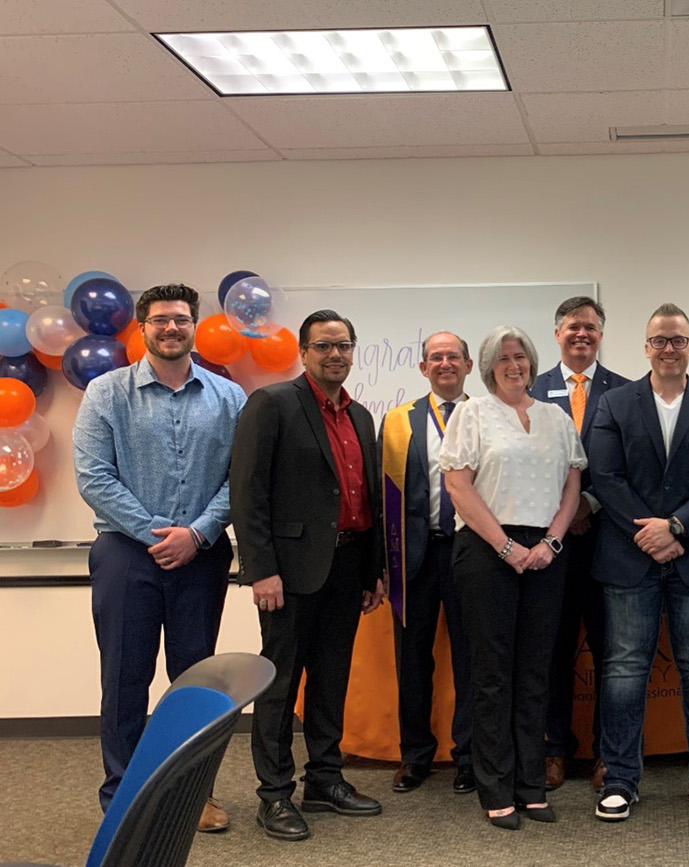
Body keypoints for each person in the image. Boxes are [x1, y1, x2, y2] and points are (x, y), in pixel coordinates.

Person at [72, 283, 246, 831]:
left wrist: (196, 534)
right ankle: (122, 798)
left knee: (194, 683)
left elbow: (237, 480)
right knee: (124, 678)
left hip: (202, 556)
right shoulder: (105, 392)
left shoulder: (230, 397)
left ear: (194, 326)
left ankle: (193, 796)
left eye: (181, 319)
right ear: (142, 328)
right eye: (160, 320)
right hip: (125, 555)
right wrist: (157, 535)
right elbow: (94, 477)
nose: (172, 327)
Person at [230, 310, 387, 842]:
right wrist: (261, 571)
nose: (335, 355)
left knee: (331, 679)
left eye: (344, 345)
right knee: (278, 685)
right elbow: (247, 492)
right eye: (324, 346)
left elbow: (365, 500)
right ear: (304, 352)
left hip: (346, 566)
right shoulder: (272, 404)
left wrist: (372, 571)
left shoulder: (362, 416)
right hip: (288, 574)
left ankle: (324, 779)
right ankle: (274, 795)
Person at [588, 303, 689, 823]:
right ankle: (621, 779)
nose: (669, 348)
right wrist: (651, 532)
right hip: (630, 557)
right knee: (626, 668)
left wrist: (675, 528)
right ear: (645, 346)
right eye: (660, 340)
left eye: (678, 340)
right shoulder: (614, 402)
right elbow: (604, 480)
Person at [439, 325, 585, 830]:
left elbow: (572, 487)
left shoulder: (555, 417)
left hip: (546, 553)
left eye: (520, 356)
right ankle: (496, 788)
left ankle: (531, 785)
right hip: (485, 551)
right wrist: (505, 546)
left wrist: (550, 544)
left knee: (535, 672)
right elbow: (458, 486)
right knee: (493, 674)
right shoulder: (471, 412)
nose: (514, 365)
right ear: (487, 367)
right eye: (503, 358)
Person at [530, 296, 631, 792]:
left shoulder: (628, 392)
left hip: (610, 543)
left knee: (614, 655)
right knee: (552, 651)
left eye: (591, 327)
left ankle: (609, 755)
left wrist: (588, 504)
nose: (582, 334)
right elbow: (522, 467)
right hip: (549, 546)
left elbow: (631, 469)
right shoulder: (528, 389)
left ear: (601, 335)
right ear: (557, 334)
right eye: (573, 327)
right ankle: (554, 749)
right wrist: (561, 517)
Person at [379, 331, 476, 796]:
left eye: (453, 356)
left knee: (472, 660)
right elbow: (382, 499)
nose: (444, 363)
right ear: (423, 368)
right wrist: (381, 564)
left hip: (471, 555)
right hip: (413, 557)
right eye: (435, 357)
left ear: (469, 365)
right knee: (412, 661)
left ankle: (470, 756)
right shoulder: (398, 421)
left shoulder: (487, 416)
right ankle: (414, 756)